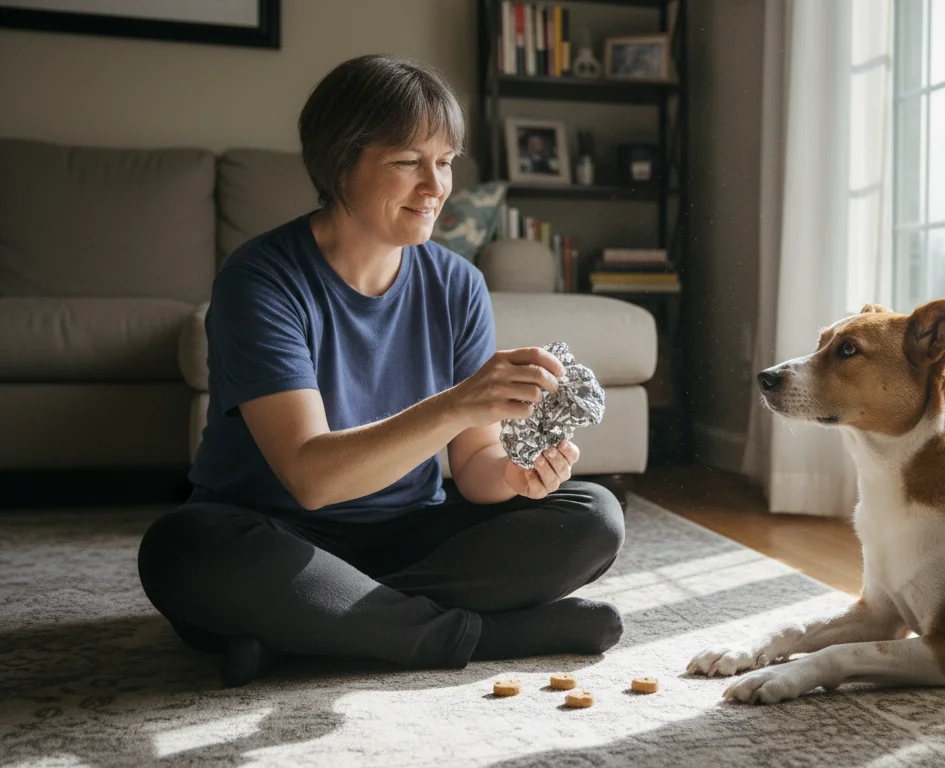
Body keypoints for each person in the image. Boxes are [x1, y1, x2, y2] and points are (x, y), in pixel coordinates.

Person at [136, 54, 625, 688]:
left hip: (409, 536)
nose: (436, 186)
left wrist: (517, 476)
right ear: (340, 162)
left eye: (445, 161)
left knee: (592, 515)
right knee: (182, 550)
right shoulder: (261, 282)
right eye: (406, 162)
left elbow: (474, 472)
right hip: (277, 534)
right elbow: (311, 477)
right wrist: (458, 402)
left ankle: (311, 631)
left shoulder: (458, 286)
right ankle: (487, 635)